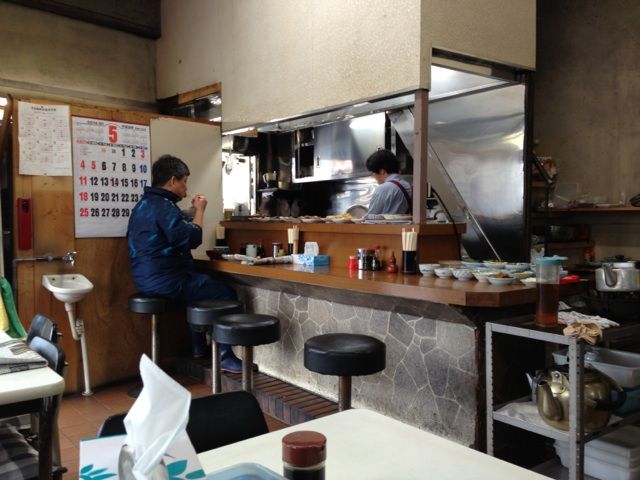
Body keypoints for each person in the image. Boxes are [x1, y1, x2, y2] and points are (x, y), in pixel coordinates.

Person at [127, 154, 243, 372]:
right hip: (165, 280)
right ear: (172, 180)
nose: (186, 188)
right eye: (184, 182)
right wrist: (200, 211)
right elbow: (192, 239)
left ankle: (198, 348)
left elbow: (173, 227)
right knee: (225, 293)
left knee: (196, 290)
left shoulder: (145, 204)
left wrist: (191, 213)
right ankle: (225, 356)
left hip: (145, 279)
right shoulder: (164, 207)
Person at [365, 149, 413, 215]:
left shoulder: (383, 189)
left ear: (382, 171)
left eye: (373, 173)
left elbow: (371, 217)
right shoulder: (409, 186)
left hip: (389, 222)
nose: (373, 176)